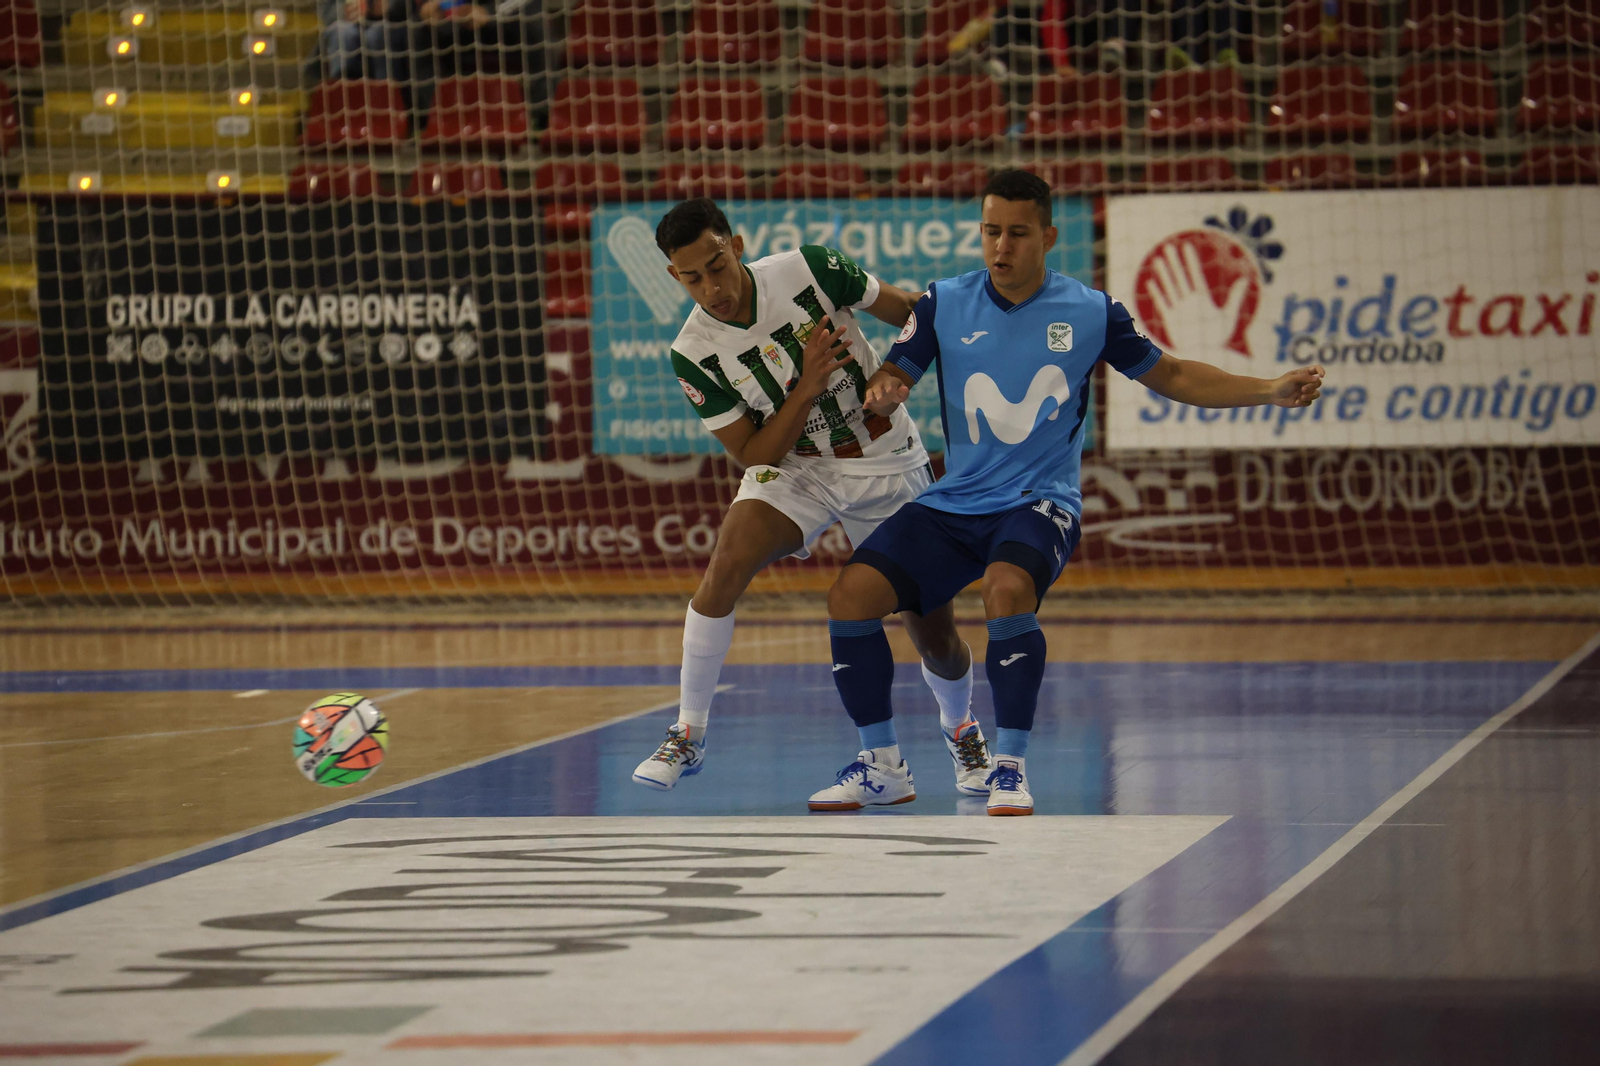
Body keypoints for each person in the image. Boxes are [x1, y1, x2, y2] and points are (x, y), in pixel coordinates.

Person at [812, 169, 1325, 816]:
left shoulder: (1091, 311)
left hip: (1039, 501)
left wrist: (1267, 389)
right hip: (957, 502)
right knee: (850, 597)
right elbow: (895, 370)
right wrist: (887, 389)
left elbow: (1173, 375)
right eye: (991, 231)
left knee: (1006, 592)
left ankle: (1010, 767)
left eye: (1018, 233)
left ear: (1049, 237)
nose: (1001, 246)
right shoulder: (943, 302)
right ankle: (882, 765)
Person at [632, 199, 994, 803]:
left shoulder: (810, 268)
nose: (712, 288)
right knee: (726, 563)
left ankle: (961, 728)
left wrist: (897, 372)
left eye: (717, 266)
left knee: (933, 632)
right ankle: (687, 734)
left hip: (884, 460)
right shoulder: (692, 351)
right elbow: (755, 455)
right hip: (796, 468)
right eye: (692, 278)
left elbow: (911, 313)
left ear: (736, 247)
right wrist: (805, 387)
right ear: (675, 276)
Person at [319, 0, 411, 80]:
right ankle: (342, 90)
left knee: (377, 35)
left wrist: (389, 6)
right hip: (352, 25)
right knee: (341, 33)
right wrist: (343, 11)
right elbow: (327, 10)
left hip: (394, 22)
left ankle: (386, 91)